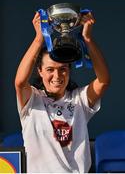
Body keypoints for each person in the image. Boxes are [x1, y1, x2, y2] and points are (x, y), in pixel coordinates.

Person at [15, 10, 110, 173]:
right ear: (40, 71)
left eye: (63, 69)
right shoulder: (31, 100)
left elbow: (103, 81)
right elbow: (19, 82)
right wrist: (39, 39)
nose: (57, 76)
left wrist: (87, 39)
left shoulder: (79, 100)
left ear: (69, 70)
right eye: (50, 69)